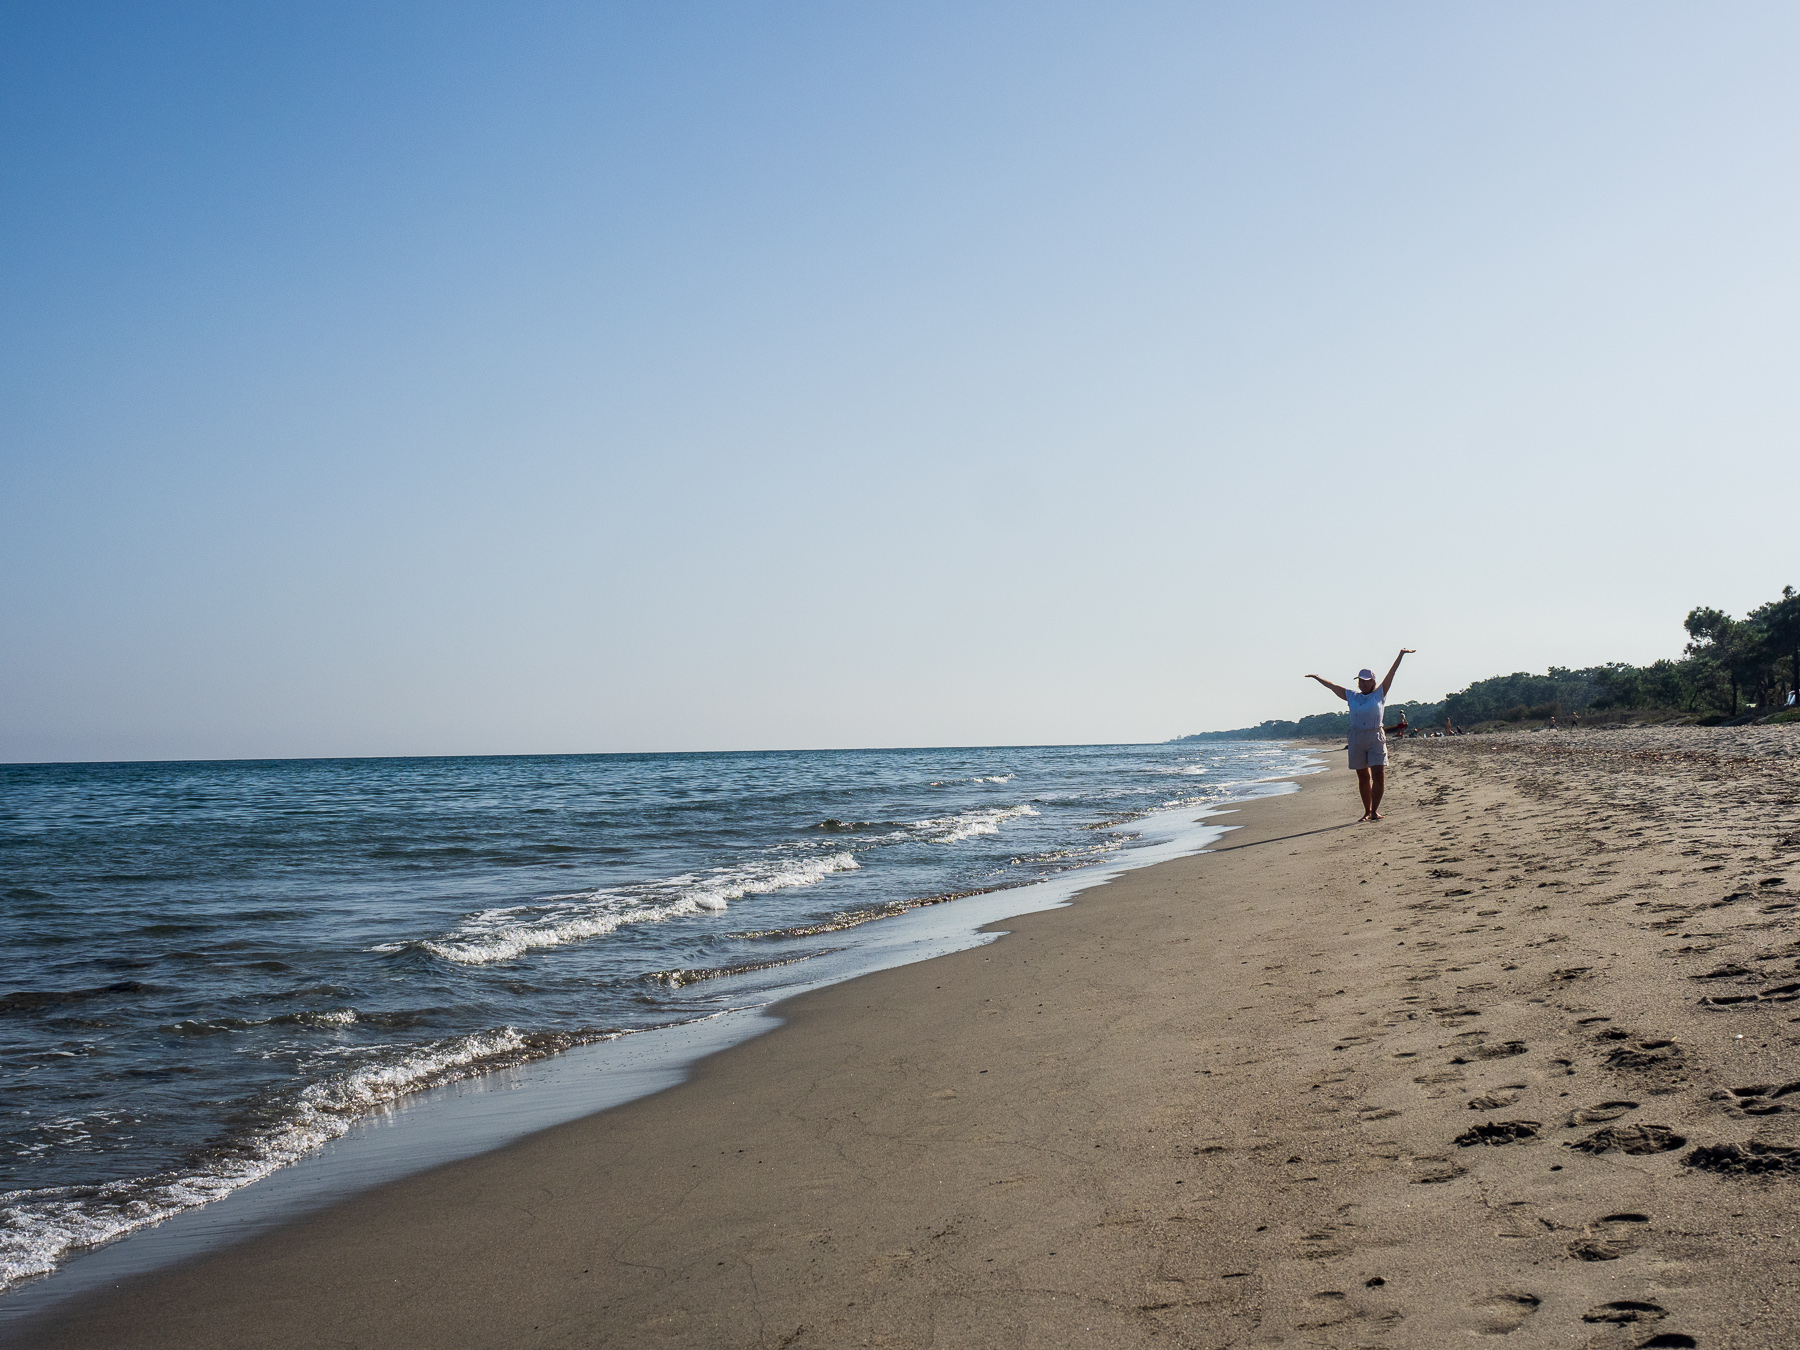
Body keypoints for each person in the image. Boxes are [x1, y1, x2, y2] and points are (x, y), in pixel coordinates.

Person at [1306, 649, 1415, 821]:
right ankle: (1367, 811)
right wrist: (1317, 677)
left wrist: (1401, 654)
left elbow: (1391, 673)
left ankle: (1375, 811)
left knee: (1379, 774)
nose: (1362, 684)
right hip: (1357, 737)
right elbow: (1333, 686)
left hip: (1375, 736)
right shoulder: (1352, 696)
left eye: (1366, 681)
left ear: (1372, 682)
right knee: (1363, 776)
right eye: (1360, 681)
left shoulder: (1379, 693)